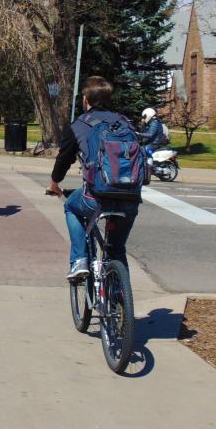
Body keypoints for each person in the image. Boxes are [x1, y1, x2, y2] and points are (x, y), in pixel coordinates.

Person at [48, 76, 140, 280]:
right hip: (130, 197)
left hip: (96, 198)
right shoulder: (124, 122)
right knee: (117, 249)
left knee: (71, 207)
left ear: (85, 99)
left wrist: (54, 184)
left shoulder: (79, 125)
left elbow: (64, 159)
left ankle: (79, 260)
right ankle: (121, 300)